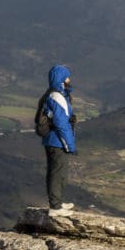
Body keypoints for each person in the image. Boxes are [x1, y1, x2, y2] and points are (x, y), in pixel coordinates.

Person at [42, 64, 77, 214]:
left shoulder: (57, 94)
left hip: (54, 140)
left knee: (58, 172)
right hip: (57, 141)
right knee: (58, 173)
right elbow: (61, 123)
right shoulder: (57, 96)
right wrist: (69, 145)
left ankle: (58, 202)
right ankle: (55, 207)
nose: (70, 79)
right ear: (62, 78)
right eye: (67, 76)